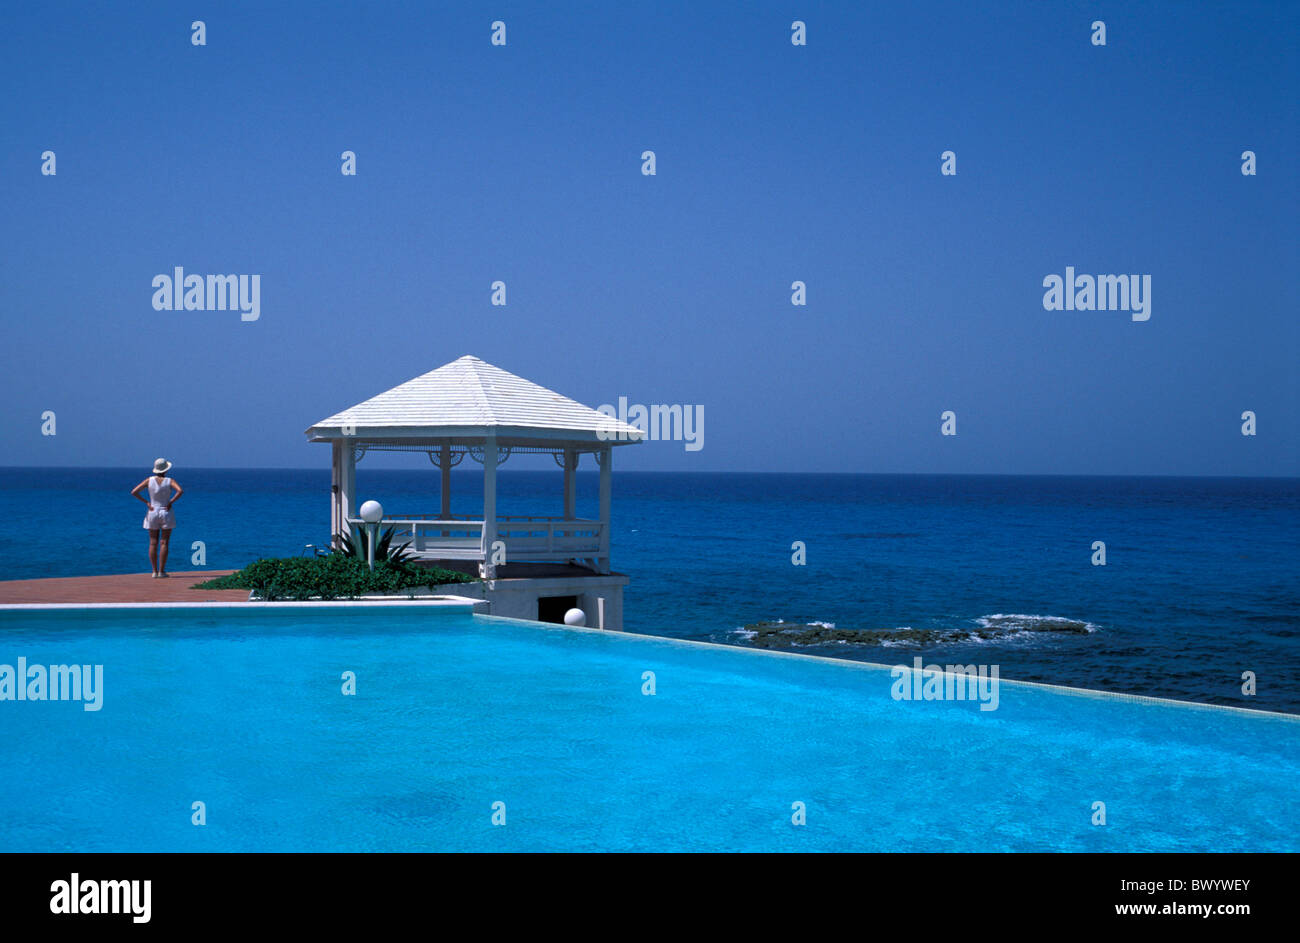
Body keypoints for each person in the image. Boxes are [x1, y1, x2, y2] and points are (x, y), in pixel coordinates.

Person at [131, 458, 184, 578]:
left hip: (153, 511)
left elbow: (134, 492)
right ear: (166, 469)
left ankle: (154, 571)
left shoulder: (149, 480)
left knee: (153, 543)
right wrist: (171, 501)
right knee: (164, 542)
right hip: (166, 511)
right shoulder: (169, 481)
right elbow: (180, 491)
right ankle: (162, 571)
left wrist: (146, 502)